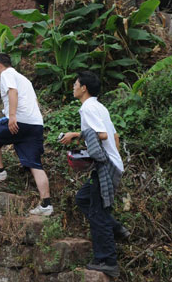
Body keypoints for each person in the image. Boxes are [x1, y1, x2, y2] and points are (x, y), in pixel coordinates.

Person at [59, 71, 128, 278]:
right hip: (110, 164)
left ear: (84, 88)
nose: (73, 86)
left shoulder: (88, 107)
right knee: (84, 199)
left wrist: (75, 135)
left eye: (76, 83)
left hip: (106, 166)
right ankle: (116, 228)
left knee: (98, 214)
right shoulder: (100, 107)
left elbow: (104, 135)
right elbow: (114, 137)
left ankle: (107, 261)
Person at [0, 53, 53, 216]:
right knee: (35, 165)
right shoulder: (24, 79)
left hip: (20, 120)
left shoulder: (7, 74)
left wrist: (12, 116)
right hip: (35, 124)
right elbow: (34, 102)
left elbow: (12, 92)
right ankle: (46, 204)